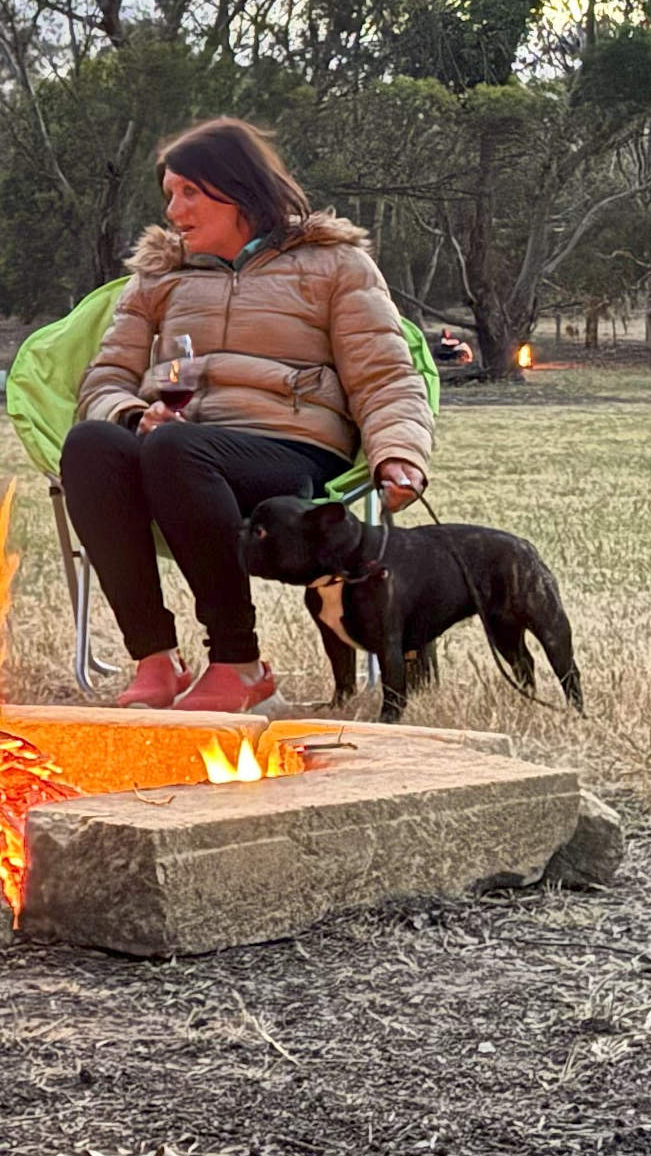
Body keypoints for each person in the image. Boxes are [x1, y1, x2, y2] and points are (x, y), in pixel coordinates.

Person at [61, 116, 432, 712]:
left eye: (190, 193)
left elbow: (384, 374)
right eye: (169, 195)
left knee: (175, 448)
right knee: (91, 444)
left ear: (237, 189)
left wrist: (398, 454)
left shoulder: (334, 265)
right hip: (179, 447)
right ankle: (154, 658)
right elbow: (105, 380)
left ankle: (238, 661)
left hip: (289, 450)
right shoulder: (158, 276)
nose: (175, 211)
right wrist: (133, 415)